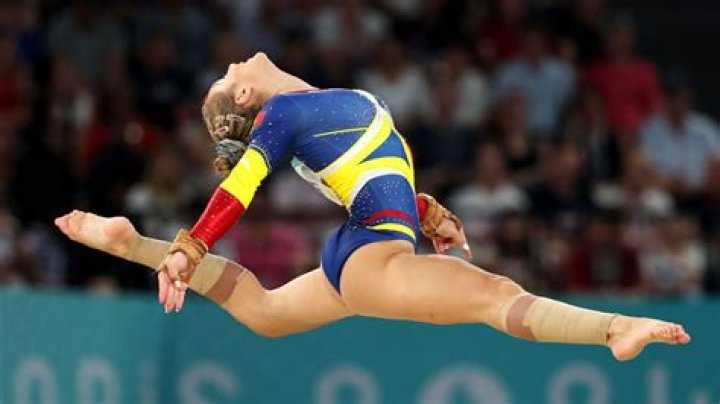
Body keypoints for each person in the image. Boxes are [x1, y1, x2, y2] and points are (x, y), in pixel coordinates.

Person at [56, 53, 690, 361]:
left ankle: (131, 244)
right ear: (245, 97)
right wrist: (191, 246)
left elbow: (364, 173)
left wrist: (424, 208)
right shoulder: (282, 116)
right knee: (495, 296)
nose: (232, 62)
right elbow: (241, 185)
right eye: (228, 75)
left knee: (267, 314)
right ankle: (613, 329)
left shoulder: (312, 109)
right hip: (372, 253)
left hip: (365, 248)